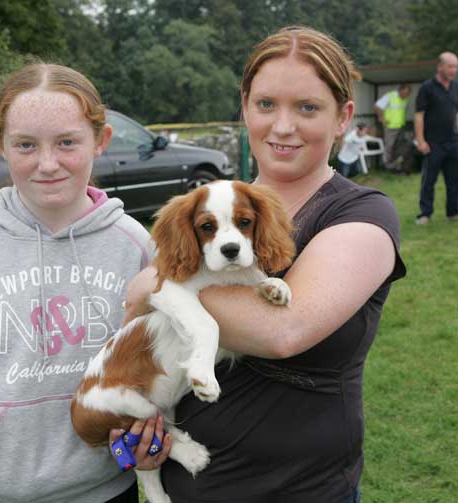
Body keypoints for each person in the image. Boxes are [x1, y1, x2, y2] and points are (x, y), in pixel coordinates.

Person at [126, 26, 406, 502]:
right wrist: (139, 421)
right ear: (245, 106)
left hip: (303, 488)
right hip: (189, 484)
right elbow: (141, 334)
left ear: (344, 117)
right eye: (266, 104)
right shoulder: (209, 211)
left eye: (308, 108)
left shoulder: (362, 214)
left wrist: (154, 283)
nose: (281, 126)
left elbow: (284, 332)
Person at [0, 63, 170, 503]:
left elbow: (157, 370)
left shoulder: (136, 247)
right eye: (25, 144)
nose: (47, 164)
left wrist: (150, 443)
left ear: (101, 141)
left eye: (67, 142)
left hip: (104, 492)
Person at [415, 51, 458, 224]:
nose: (454, 70)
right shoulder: (427, 87)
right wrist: (421, 140)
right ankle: (425, 214)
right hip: (433, 143)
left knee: (455, 180)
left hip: (453, 143)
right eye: (450, 66)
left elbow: (457, 114)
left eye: (456, 67)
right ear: (440, 67)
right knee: (429, 181)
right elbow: (419, 115)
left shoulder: (456, 87)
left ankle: (454, 212)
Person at [374, 84, 411, 171]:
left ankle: (396, 166)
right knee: (389, 146)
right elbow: (377, 107)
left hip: (400, 126)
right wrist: (381, 118)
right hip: (390, 127)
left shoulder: (405, 99)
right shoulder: (390, 96)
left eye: (408, 94)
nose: (406, 96)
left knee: (399, 147)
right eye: (405, 93)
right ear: (400, 90)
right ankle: (387, 166)